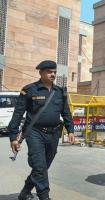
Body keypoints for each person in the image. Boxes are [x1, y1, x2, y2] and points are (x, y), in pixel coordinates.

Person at [7, 60, 75, 200]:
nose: (53, 74)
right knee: (39, 166)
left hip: (54, 133)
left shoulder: (59, 91)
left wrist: (71, 130)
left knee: (43, 167)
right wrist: (13, 137)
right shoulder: (29, 90)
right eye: (49, 72)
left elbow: (66, 112)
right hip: (35, 133)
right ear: (41, 72)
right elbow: (18, 114)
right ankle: (44, 196)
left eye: (54, 72)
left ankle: (25, 192)